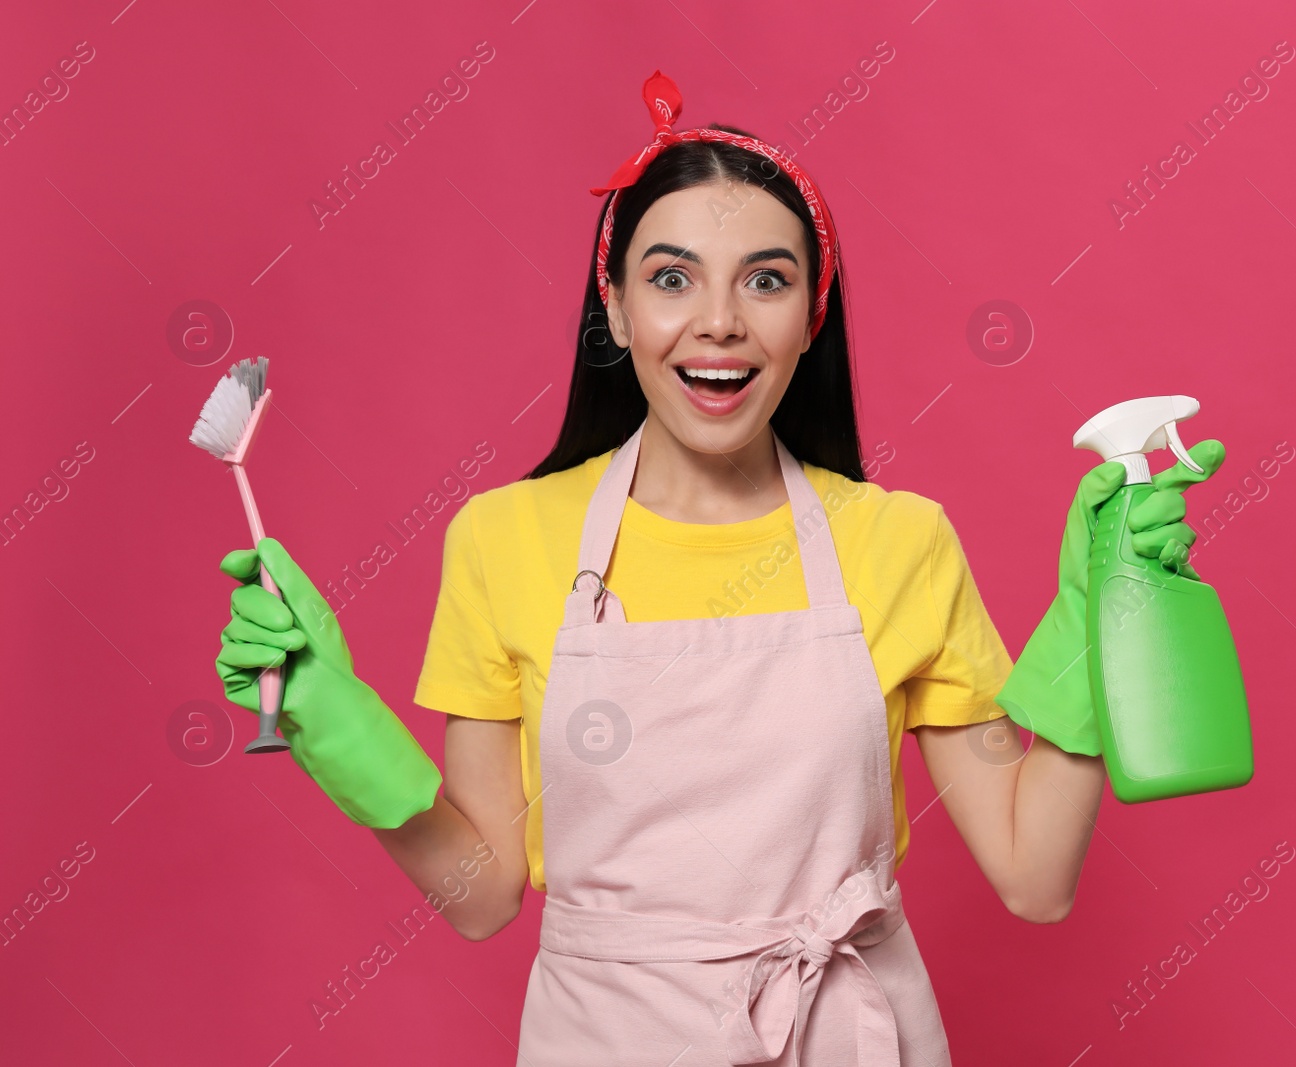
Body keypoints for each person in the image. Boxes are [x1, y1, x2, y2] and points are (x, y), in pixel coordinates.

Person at [213, 69, 1220, 1066]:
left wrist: (1101, 614)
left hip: (851, 1031)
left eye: (767, 279)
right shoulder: (503, 536)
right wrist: (334, 725)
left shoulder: (898, 539)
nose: (720, 322)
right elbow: (479, 896)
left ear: (811, 314)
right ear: (612, 307)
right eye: (670, 277)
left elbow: (1033, 876)